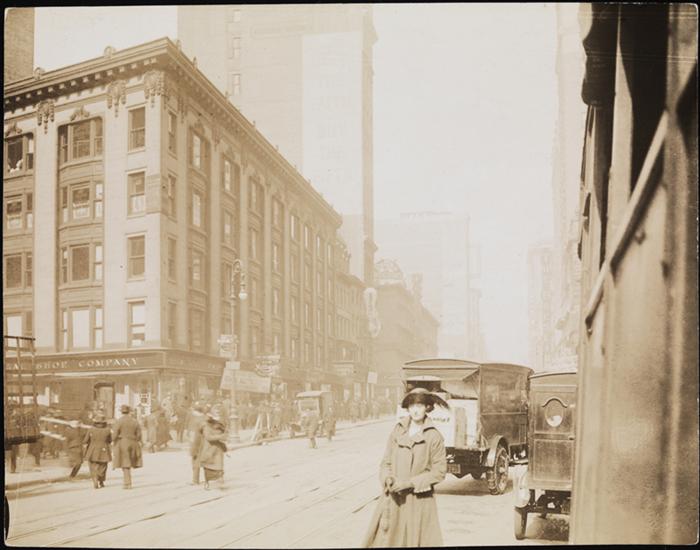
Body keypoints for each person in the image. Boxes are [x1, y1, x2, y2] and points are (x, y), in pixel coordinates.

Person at [362, 387, 448, 548]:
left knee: (416, 541)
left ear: (427, 407)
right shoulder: (398, 431)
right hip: (393, 500)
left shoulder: (434, 436)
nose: (415, 410)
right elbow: (386, 462)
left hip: (419, 501)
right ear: (407, 408)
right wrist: (387, 478)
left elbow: (439, 472)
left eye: (420, 405)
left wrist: (410, 483)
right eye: (412, 405)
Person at [112, 404, 143, 489]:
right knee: (129, 462)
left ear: (121, 412)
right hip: (133, 442)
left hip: (123, 443)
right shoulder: (135, 421)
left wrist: (113, 441)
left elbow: (114, 435)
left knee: (125, 463)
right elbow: (139, 435)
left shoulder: (119, 421)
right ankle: (127, 482)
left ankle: (127, 483)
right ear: (129, 411)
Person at [197, 408, 228, 490]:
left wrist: (223, 435)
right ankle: (208, 483)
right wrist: (220, 436)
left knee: (219, 466)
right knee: (209, 467)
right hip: (209, 449)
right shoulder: (206, 426)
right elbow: (208, 437)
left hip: (218, 449)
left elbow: (224, 432)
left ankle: (220, 481)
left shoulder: (218, 424)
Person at [83, 413, 111, 489]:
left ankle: (95, 478)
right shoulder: (107, 430)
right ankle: (101, 480)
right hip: (104, 450)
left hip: (92, 450)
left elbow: (85, 440)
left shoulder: (91, 429)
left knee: (92, 465)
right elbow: (110, 440)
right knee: (103, 466)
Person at [189, 402, 207, 485]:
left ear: (196, 411)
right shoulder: (205, 418)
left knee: (195, 462)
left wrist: (192, 446)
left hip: (196, 444)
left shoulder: (195, 420)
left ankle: (195, 480)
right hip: (205, 443)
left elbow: (192, 434)